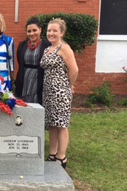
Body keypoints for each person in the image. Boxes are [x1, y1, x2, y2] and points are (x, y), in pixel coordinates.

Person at [40, 18, 78, 169]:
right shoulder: (46, 49)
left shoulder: (65, 48)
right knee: (52, 124)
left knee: (61, 124)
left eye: (55, 30)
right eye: (49, 30)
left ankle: (62, 157)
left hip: (60, 92)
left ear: (62, 32)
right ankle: (52, 153)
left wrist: (70, 85)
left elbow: (74, 70)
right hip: (48, 92)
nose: (51, 33)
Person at [15, 18, 51, 104]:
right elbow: (20, 61)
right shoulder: (22, 45)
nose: (32, 33)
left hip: (39, 79)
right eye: (29, 31)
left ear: (40, 30)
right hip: (24, 79)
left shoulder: (47, 45)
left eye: (34, 30)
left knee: (36, 104)